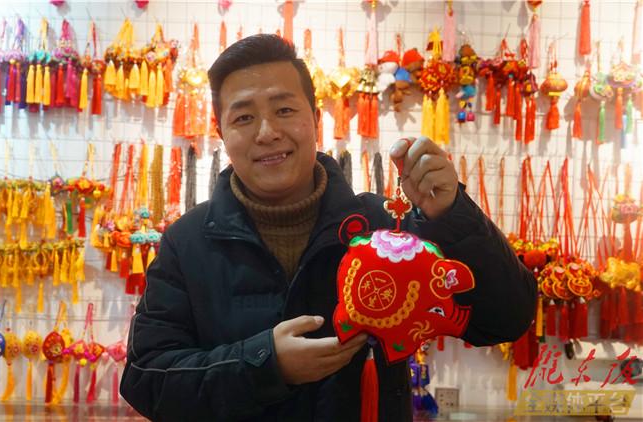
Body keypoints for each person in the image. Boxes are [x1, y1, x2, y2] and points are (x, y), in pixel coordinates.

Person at [120, 34, 537, 421]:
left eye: (285, 110)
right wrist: (266, 364)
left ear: (316, 118)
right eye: (244, 117)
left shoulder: (384, 229)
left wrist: (451, 214)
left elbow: (505, 319)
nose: (267, 133)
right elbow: (146, 379)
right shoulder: (186, 242)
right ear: (222, 133)